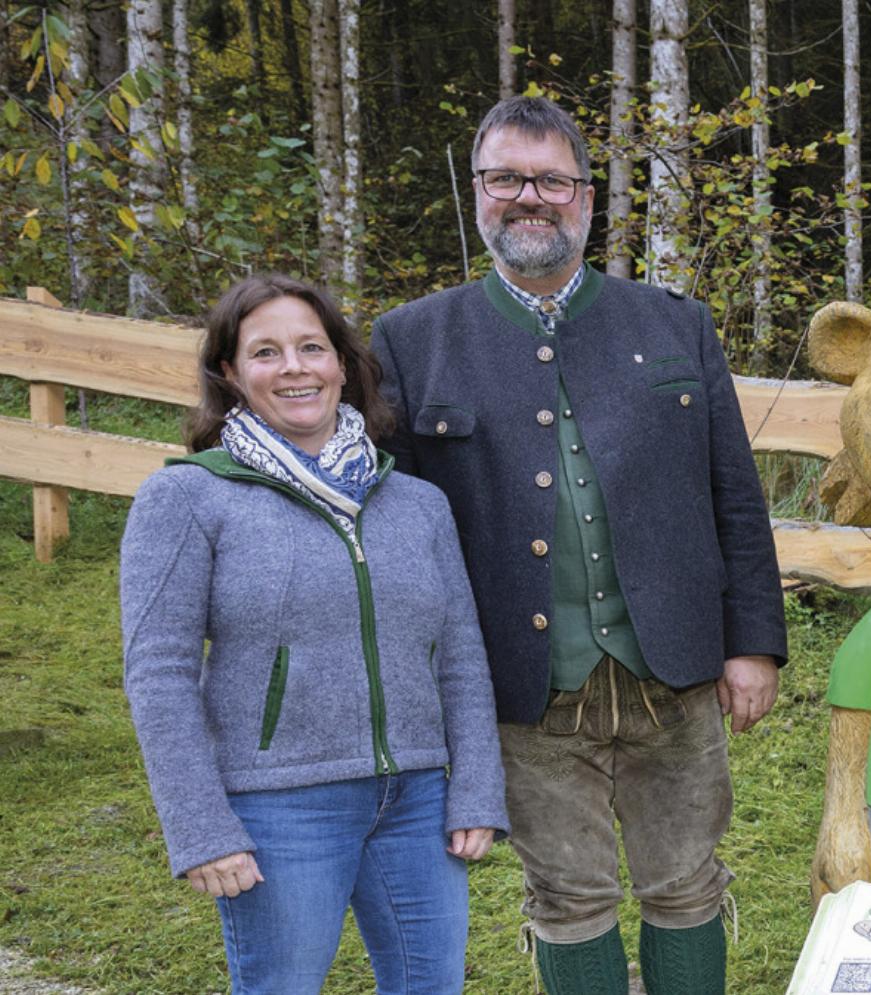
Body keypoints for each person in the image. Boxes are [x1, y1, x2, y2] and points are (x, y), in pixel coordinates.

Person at [369, 95, 788, 995]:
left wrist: (752, 641)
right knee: (566, 892)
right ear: (478, 194)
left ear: (588, 199)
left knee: (686, 882)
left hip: (673, 666)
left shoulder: (676, 323)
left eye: (552, 179)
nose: (531, 197)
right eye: (507, 178)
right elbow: (395, 533)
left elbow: (735, 497)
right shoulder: (410, 343)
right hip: (521, 682)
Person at [120, 275, 508, 995]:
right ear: (230, 373)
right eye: (265, 351)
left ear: (343, 364)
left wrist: (477, 787)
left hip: (417, 798)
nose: (294, 367)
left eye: (312, 347)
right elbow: (159, 673)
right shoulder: (186, 498)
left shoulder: (416, 504)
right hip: (281, 805)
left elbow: (459, 653)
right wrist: (202, 827)